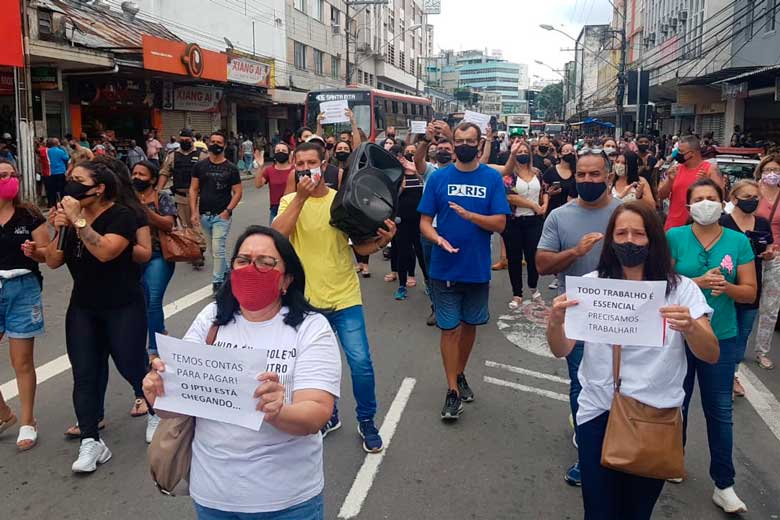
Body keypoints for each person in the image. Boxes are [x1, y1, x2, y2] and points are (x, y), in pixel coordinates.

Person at [143, 226, 340, 520]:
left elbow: (316, 414)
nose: (252, 269)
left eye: (266, 262)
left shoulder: (311, 328)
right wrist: (157, 391)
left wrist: (278, 411)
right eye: (243, 260)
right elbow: (177, 403)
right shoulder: (211, 319)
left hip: (286, 501)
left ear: (287, 278)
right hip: (213, 497)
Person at [547, 201, 720, 520]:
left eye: (638, 234)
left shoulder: (681, 290)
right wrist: (556, 322)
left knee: (636, 512)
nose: (629, 240)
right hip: (598, 412)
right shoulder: (593, 286)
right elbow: (561, 349)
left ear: (653, 239)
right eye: (621, 232)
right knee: (598, 511)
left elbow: (710, 353)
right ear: (611, 239)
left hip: (655, 416)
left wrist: (692, 327)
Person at [273, 142, 396, 452]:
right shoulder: (290, 200)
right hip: (305, 304)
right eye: (299, 163)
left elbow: (360, 248)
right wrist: (300, 198)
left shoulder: (342, 201)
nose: (305, 168)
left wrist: (382, 242)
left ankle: (366, 421)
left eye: (311, 162)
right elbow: (275, 238)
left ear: (323, 162)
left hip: (344, 298)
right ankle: (329, 415)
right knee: (311, 369)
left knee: (360, 364)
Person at [44, 160, 150, 473]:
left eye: (78, 180)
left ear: (99, 187)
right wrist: (59, 227)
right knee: (85, 373)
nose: (70, 186)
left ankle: (157, 410)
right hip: (84, 307)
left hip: (123, 305)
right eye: (70, 179)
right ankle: (91, 440)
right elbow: (52, 261)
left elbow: (106, 252)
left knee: (131, 364)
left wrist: (79, 222)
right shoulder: (69, 218)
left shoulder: (122, 215)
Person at [666, 178, 756, 513]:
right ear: (688, 205)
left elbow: (750, 291)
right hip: (677, 336)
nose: (705, 203)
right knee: (677, 402)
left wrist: (727, 289)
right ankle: (673, 461)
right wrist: (696, 283)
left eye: (711, 197)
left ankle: (724, 483)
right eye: (699, 198)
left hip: (721, 337)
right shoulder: (674, 236)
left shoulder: (737, 241)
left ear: (723, 203)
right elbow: (660, 280)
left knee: (719, 410)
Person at [536, 149, 622, 486]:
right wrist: (576, 253)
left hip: (624, 316)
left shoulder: (627, 214)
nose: (587, 180)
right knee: (584, 385)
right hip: (579, 318)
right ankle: (587, 456)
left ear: (608, 176)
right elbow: (542, 265)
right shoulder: (560, 217)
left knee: (623, 386)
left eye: (594, 174)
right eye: (582, 175)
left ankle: (623, 449)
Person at [418, 122, 511, 420]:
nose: (464, 145)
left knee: (470, 325)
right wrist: (436, 238)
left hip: (476, 267)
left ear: (479, 142)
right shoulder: (439, 178)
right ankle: (451, 391)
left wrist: (471, 215)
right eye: (459, 140)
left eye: (471, 140)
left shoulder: (491, 179)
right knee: (449, 328)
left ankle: (459, 373)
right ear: (451, 142)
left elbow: (500, 223)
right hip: (443, 268)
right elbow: (424, 221)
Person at [0, 160, 50, 450]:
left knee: (21, 361)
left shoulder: (28, 215)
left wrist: (36, 251)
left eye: (12, 175)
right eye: (2, 176)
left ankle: (28, 421)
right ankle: (5, 413)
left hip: (23, 289)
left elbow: (48, 254)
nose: (8, 180)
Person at [720, 179, 774, 396]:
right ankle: (720, 375)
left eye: (755, 197)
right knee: (724, 332)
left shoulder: (762, 224)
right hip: (724, 287)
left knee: (742, 332)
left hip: (752, 285)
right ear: (734, 198)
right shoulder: (723, 223)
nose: (752, 201)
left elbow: (769, 246)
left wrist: (770, 253)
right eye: (747, 197)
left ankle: (731, 374)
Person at [189, 131, 244, 293]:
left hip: (222, 215)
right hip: (204, 215)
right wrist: (194, 212)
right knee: (214, 249)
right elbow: (193, 189)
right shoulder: (200, 166)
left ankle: (217, 283)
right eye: (212, 141)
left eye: (219, 142)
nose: (215, 145)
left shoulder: (231, 168)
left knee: (218, 248)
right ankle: (228, 272)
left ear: (224, 145)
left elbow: (238, 192)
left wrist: (228, 211)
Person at [414, 122, 456, 326]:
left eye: (447, 149)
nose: (443, 152)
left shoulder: (459, 171)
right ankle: (436, 307)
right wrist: (425, 140)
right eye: (440, 149)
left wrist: (451, 134)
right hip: (430, 230)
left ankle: (454, 305)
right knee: (432, 271)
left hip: (453, 229)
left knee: (454, 268)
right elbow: (417, 160)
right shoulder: (430, 171)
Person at [500, 139, 547, 308]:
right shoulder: (509, 175)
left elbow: (544, 191)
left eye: (524, 151)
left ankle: (534, 288)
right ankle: (517, 293)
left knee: (533, 257)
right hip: (514, 222)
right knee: (514, 258)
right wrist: (532, 205)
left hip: (534, 221)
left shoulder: (537, 172)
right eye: (518, 152)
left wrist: (543, 206)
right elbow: (510, 196)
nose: (522, 155)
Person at [158, 129, 207, 269]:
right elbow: (164, 172)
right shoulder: (173, 156)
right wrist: (158, 191)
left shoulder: (202, 156)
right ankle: (195, 249)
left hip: (198, 197)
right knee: (186, 226)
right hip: (181, 196)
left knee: (195, 223)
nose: (185, 142)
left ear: (192, 140)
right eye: (182, 139)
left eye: (187, 139)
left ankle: (199, 251)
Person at [659, 135, 723, 231]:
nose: (677, 154)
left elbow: (720, 197)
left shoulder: (709, 169)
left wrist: (707, 183)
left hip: (700, 228)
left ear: (693, 153)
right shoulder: (676, 168)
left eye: (681, 151)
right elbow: (661, 195)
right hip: (674, 226)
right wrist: (670, 180)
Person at [753, 155, 780, 370]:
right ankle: (734, 349)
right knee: (743, 304)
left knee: (770, 308)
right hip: (750, 255)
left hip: (777, 257)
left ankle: (762, 351)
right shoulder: (751, 193)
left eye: (776, 169)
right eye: (768, 169)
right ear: (761, 171)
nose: (772, 173)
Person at [393, 145, 428, 300]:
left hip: (420, 221)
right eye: (398, 158)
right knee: (403, 253)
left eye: (404, 157)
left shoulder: (419, 175)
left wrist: (414, 171)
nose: (402, 160)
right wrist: (400, 187)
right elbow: (391, 198)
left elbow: (426, 186)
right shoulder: (394, 177)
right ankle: (402, 285)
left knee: (422, 254)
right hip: (402, 222)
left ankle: (429, 284)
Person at [256, 142, 293, 224]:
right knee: (274, 235)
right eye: (278, 150)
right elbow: (258, 184)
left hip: (292, 206)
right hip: (275, 209)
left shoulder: (294, 170)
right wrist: (260, 167)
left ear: (289, 154)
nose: (280, 152)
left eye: (284, 150)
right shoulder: (269, 170)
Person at [544, 142, 578, 216]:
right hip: (553, 210)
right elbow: (543, 192)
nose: (570, 153)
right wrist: (549, 193)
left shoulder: (578, 172)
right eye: (566, 151)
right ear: (559, 154)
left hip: (572, 212)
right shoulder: (551, 171)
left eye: (572, 151)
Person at [45, 138, 69, 207]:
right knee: (62, 189)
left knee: (52, 190)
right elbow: (66, 158)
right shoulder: (60, 151)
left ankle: (53, 205)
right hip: (61, 172)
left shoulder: (48, 151)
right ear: (56, 143)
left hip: (51, 173)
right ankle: (62, 203)